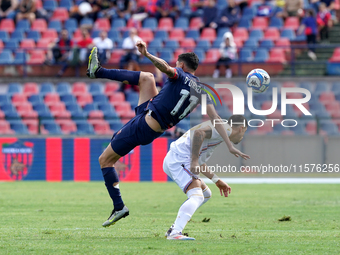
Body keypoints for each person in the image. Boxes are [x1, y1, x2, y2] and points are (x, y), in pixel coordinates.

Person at [86, 41, 250, 228]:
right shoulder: (202, 90)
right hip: (152, 121)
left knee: (104, 160)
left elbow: (164, 67)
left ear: (181, 65)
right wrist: (229, 144)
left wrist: (147, 54)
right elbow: (216, 118)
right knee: (147, 78)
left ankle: (119, 207)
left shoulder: (179, 74)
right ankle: (96, 71)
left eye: (176, 64)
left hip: (146, 123)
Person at [163, 115, 248, 240]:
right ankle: (175, 233)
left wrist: (216, 180)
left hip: (176, 158)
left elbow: (199, 160)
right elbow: (199, 133)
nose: (242, 137)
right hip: (180, 159)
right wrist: (194, 161)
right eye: (244, 133)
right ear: (241, 128)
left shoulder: (219, 130)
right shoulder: (226, 128)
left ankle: (174, 227)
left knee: (206, 194)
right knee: (197, 196)